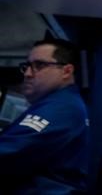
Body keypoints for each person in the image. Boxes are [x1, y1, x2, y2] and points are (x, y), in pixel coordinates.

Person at [0, 38, 90, 194]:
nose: (27, 74)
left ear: (66, 71)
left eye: (39, 65)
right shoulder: (59, 103)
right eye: (27, 66)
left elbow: (10, 151)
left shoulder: (63, 107)